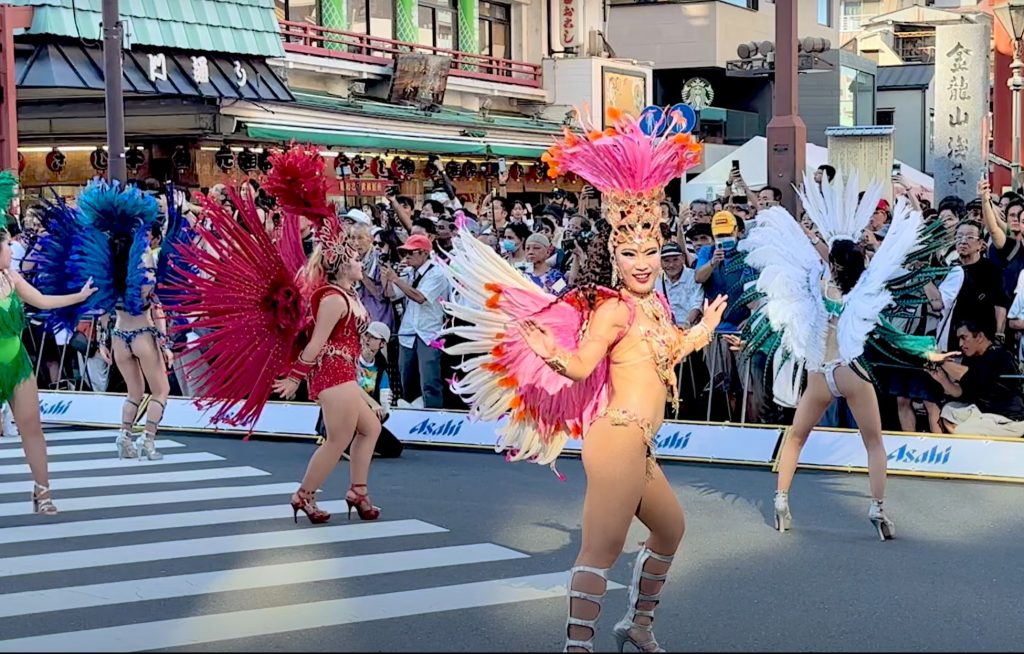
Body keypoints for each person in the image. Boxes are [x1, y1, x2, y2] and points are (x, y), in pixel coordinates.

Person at [441, 108, 724, 652]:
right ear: (613, 256)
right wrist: (551, 353)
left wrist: (701, 332)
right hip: (616, 438)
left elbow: (662, 358)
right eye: (630, 253)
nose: (642, 262)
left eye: (649, 251)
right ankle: (578, 646)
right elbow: (581, 364)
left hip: (639, 443)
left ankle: (637, 625)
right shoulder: (614, 309)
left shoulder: (658, 306)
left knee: (670, 530)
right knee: (603, 547)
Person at [738, 172, 954, 541]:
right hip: (850, 371)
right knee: (873, 443)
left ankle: (780, 499)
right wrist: (928, 351)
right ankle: (878, 507)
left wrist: (816, 239)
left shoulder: (815, 284)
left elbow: (821, 260)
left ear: (833, 265)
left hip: (820, 373)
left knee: (795, 439)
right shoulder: (862, 293)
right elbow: (890, 332)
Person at [0, 170, 98, 513]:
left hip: (17, 363)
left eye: (6, 241)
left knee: (32, 427)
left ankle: (42, 493)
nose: (8, 247)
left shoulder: (11, 278)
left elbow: (42, 301)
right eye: (3, 242)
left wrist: (79, 295)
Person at [929, 319, 1024, 436]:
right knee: (948, 410)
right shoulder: (972, 357)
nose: (960, 344)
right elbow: (961, 392)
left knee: (963, 431)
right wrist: (942, 379)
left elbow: (968, 375)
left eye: (964, 337)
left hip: (1007, 419)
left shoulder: (999, 355)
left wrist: (940, 361)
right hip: (984, 412)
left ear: (979, 336)